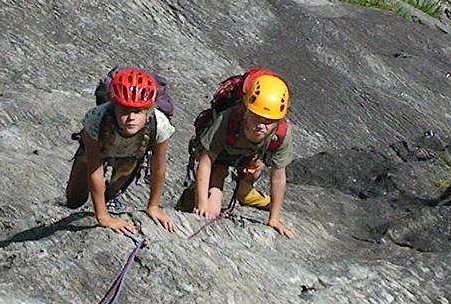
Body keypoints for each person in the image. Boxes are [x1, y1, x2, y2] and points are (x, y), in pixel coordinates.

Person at [182, 71, 296, 239]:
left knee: (254, 170)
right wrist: (202, 204)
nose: (261, 126)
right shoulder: (228, 119)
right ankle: (187, 199)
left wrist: (274, 218)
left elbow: (278, 176)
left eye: (268, 121)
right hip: (220, 158)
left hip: (250, 157)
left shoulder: (281, 134)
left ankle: (244, 191)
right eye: (256, 118)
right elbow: (206, 161)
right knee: (211, 212)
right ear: (245, 110)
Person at [65, 68, 177, 235]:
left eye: (137, 111)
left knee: (111, 192)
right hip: (102, 146)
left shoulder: (160, 124)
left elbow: (158, 167)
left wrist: (154, 206)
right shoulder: (96, 118)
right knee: (75, 199)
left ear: (148, 112)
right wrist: (103, 217)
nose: (131, 118)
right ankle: (98, 204)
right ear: (114, 108)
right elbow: (94, 168)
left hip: (132, 153)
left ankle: (109, 199)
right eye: (125, 111)